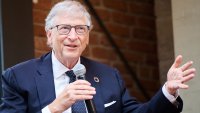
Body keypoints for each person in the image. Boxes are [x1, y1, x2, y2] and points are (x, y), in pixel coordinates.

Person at [0, 0, 196, 113]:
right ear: (49, 35)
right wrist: (53, 109)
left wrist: (168, 92)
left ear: (87, 37)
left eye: (80, 29)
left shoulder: (109, 76)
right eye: (64, 28)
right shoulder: (18, 77)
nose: (73, 36)